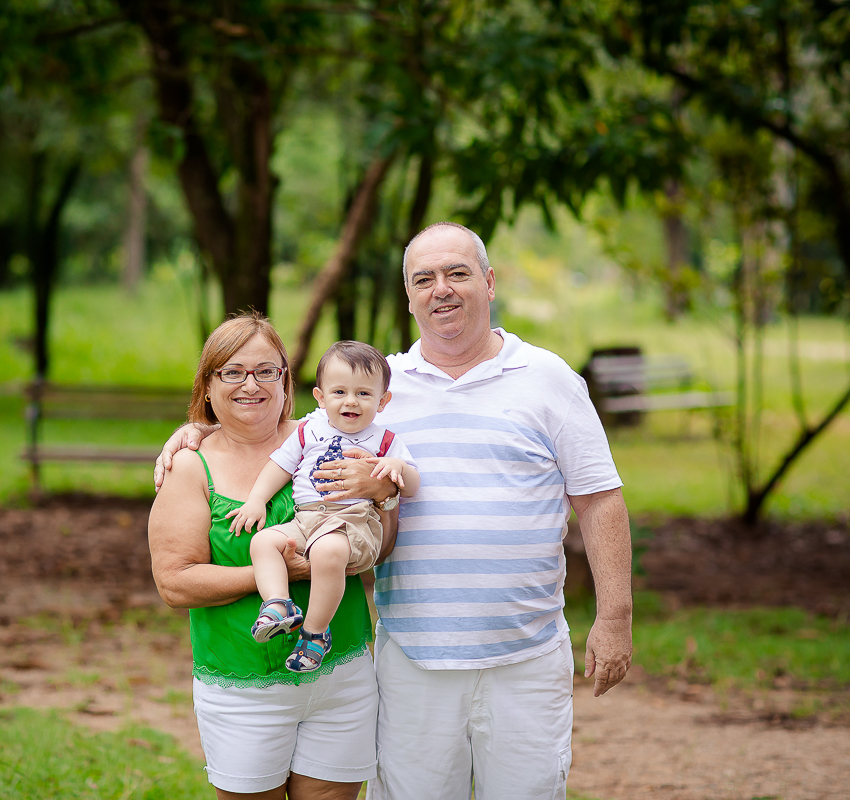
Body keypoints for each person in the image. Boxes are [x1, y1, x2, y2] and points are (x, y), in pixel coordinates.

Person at [155, 222, 634, 800]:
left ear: (488, 281)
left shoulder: (548, 379)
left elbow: (600, 496)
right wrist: (197, 429)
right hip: (412, 658)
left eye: (458, 273)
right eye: (423, 279)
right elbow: (276, 428)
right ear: (408, 296)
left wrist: (614, 617)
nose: (442, 290)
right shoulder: (379, 383)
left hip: (524, 656)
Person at [148, 314, 389, 800]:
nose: (250, 384)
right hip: (243, 686)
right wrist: (275, 573)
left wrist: (385, 490)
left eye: (265, 370)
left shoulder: (328, 436)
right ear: (208, 384)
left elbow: (381, 539)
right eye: (232, 372)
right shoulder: (191, 466)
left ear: (286, 379)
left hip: (340, 677)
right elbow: (175, 583)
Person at [228, 340, 420, 674]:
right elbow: (280, 466)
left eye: (363, 394)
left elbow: (414, 485)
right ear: (320, 397)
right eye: (339, 392)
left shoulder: (385, 440)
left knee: (327, 551)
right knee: (264, 542)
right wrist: (257, 499)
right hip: (305, 519)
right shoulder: (308, 430)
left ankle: (315, 633)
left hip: (352, 522)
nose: (351, 401)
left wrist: (397, 469)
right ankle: (278, 604)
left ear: (383, 400)